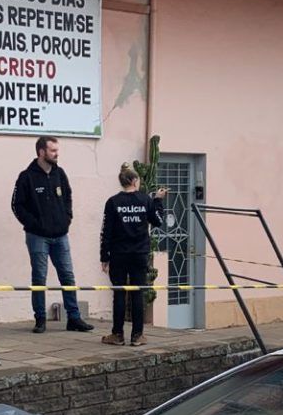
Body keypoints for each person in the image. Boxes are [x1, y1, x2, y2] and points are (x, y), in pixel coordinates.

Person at [11, 136, 92, 334]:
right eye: (53, 150)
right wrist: (35, 224)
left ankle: (73, 317)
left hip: (60, 235)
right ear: (41, 152)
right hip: (37, 236)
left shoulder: (60, 174)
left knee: (67, 275)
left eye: (57, 150)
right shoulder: (26, 177)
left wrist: (66, 219)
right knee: (39, 277)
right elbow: (17, 206)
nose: (57, 154)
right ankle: (40, 319)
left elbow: (68, 198)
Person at [100, 164, 167, 347]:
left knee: (119, 293)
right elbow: (158, 221)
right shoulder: (145, 200)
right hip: (139, 253)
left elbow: (106, 231)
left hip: (118, 254)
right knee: (138, 293)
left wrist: (104, 257)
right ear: (133, 181)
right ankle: (137, 335)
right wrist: (158, 201)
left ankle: (117, 334)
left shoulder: (113, 202)